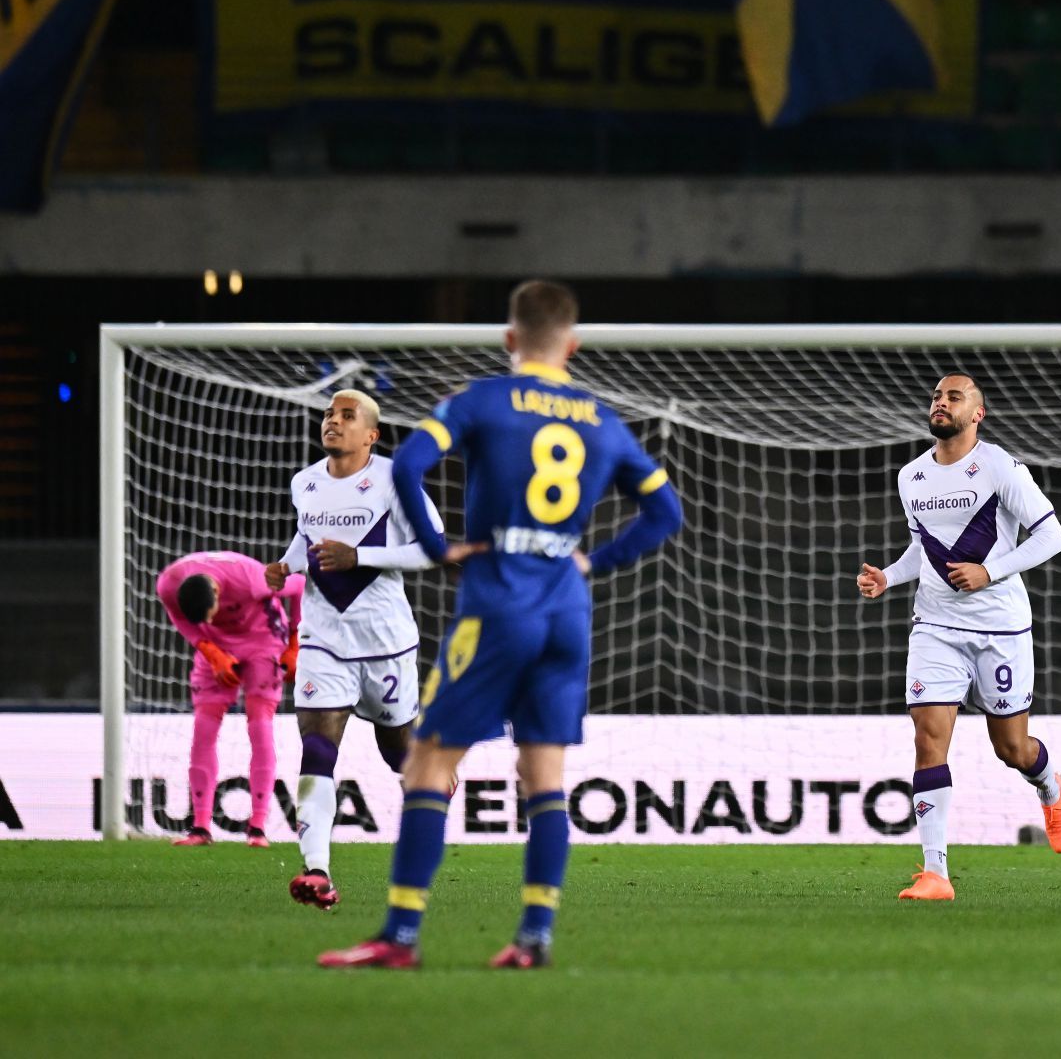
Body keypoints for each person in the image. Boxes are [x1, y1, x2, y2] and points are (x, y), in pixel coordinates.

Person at [319, 280, 683, 970]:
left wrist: (434, 546)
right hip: (567, 609)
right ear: (571, 345)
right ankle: (534, 937)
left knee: (429, 759)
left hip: (500, 597)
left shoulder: (484, 399)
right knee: (543, 774)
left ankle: (399, 936)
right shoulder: (606, 421)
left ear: (511, 338)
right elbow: (667, 514)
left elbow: (413, 463)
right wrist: (595, 561)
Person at [856, 373, 1061, 901]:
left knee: (1012, 748)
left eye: (954, 397)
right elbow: (923, 551)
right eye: (937, 395)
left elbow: (1052, 535)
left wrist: (990, 572)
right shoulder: (912, 476)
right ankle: (936, 873)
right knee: (928, 739)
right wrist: (889, 576)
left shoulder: (999, 467)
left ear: (978, 413)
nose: (941, 402)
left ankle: (1048, 786)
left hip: (1000, 626)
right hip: (935, 625)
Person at [265, 389, 444, 911]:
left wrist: (359, 555)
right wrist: (286, 565)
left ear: (372, 434)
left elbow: (431, 548)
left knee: (398, 752)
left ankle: (432, 769)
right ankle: (316, 870)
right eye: (329, 414)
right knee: (318, 745)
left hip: (385, 641)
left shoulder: (396, 480)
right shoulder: (306, 482)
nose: (333, 422)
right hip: (322, 638)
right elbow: (307, 539)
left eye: (348, 417)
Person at [154, 551, 304, 847]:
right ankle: (200, 828)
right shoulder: (168, 584)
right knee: (203, 729)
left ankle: (258, 827)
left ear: (217, 593)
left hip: (263, 639)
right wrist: (209, 650)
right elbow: (179, 619)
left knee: (259, 725)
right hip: (217, 645)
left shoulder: (252, 580)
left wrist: (295, 642)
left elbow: (298, 585)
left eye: (212, 614)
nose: (212, 619)